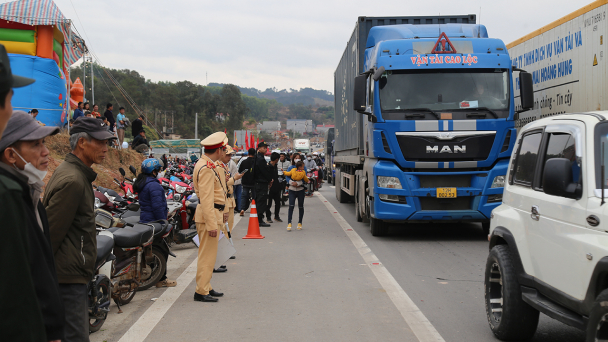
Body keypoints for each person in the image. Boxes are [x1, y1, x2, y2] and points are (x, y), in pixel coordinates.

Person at [44, 117, 116, 342]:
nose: (106, 148)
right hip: (67, 279)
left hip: (70, 275)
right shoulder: (73, 181)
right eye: (101, 142)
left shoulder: (75, 174)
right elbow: (50, 236)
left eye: (108, 143)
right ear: (82, 142)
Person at [0, 45, 52, 342]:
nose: (10, 108)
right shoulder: (8, 194)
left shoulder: (23, 191)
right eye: (8, 98)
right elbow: (16, 291)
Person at [0, 111, 64, 341]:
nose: (46, 151)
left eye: (44, 142)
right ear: (11, 154)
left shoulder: (31, 195)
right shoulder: (9, 200)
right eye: (36, 144)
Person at [192, 132, 229, 303]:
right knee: (207, 256)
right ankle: (201, 291)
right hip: (210, 214)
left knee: (209, 255)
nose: (224, 152)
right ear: (219, 150)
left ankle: (206, 286)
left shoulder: (206, 164)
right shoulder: (206, 168)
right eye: (223, 149)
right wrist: (212, 224)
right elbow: (206, 199)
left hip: (212, 213)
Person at [133, 158, 177, 288]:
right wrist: (163, 221)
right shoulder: (154, 185)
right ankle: (161, 279)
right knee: (162, 250)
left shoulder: (143, 182)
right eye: (158, 170)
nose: (160, 172)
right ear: (153, 171)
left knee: (154, 248)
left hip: (145, 219)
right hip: (154, 221)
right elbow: (157, 206)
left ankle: (157, 277)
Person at [215, 145, 244, 272]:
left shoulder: (225, 166)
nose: (230, 157)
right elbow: (221, 185)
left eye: (231, 155)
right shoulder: (216, 166)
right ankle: (219, 257)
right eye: (228, 155)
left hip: (228, 199)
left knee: (227, 229)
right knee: (221, 230)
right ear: (220, 153)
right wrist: (234, 179)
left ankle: (223, 254)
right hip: (222, 200)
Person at [283, 160, 309, 231]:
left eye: (298, 158)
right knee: (291, 206)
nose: (297, 159)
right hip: (292, 189)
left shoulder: (304, 170)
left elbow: (305, 179)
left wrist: (298, 183)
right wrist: (292, 183)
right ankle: (289, 223)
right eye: (296, 158)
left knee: (301, 206)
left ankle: (300, 222)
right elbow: (287, 176)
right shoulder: (291, 168)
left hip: (300, 189)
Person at [253, 142, 273, 227]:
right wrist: (270, 180)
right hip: (261, 183)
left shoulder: (257, 157)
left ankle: (258, 219)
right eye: (264, 148)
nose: (265, 149)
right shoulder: (260, 159)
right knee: (261, 202)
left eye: (266, 148)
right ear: (259, 148)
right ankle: (260, 220)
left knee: (259, 201)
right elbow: (264, 172)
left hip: (258, 183)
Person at [238, 148, 256, 216]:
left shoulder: (244, 161)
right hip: (254, 182)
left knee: (244, 196)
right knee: (255, 196)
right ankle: (255, 208)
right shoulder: (256, 162)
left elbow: (240, 171)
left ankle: (242, 209)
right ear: (254, 154)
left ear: (248, 153)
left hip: (245, 182)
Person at [266, 152, 283, 223]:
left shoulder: (276, 166)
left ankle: (276, 216)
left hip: (276, 187)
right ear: (276, 159)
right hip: (269, 188)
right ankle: (268, 217)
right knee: (268, 204)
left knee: (278, 203)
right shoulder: (267, 166)